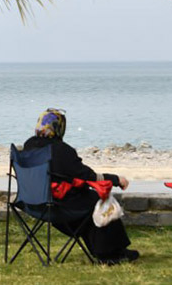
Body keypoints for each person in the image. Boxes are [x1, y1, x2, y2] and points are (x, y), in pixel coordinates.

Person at [22, 108, 139, 265]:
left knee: (87, 205)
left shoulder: (29, 145)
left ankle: (104, 251)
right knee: (101, 201)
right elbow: (87, 175)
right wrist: (115, 179)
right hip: (58, 206)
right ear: (59, 128)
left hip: (33, 203)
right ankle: (111, 253)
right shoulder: (60, 150)